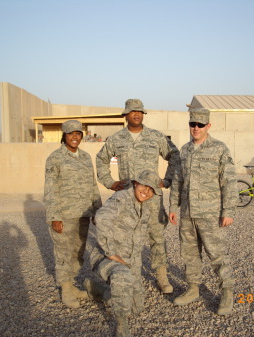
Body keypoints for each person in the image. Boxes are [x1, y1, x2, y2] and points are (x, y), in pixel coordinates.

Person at [96, 98, 180, 294]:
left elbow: (174, 156)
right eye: (132, 111)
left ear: (143, 114)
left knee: (157, 237)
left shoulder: (155, 137)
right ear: (126, 115)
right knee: (124, 238)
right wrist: (110, 182)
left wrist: (166, 181)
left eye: (139, 112)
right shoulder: (116, 139)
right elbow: (101, 160)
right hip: (127, 199)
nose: (136, 114)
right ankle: (126, 276)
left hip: (152, 198)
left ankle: (162, 276)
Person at [169, 108, 237, 316]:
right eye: (192, 124)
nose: (195, 128)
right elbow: (177, 180)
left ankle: (227, 291)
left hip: (210, 213)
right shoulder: (185, 150)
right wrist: (173, 206)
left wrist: (228, 210)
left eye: (200, 124)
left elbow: (229, 181)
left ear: (208, 126)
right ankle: (193, 288)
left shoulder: (219, 149)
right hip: (188, 213)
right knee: (189, 254)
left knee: (217, 254)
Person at [85, 170, 162, 337]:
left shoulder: (146, 206)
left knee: (136, 307)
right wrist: (111, 252)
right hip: (107, 257)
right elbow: (102, 218)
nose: (146, 191)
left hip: (131, 261)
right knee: (122, 276)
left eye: (151, 189)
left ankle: (98, 290)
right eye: (143, 186)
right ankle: (121, 326)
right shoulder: (121, 198)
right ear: (135, 183)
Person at [44, 120, 102, 308]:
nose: (75, 137)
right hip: (64, 214)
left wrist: (96, 209)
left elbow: (93, 185)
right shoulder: (55, 158)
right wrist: (55, 216)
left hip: (83, 213)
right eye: (71, 134)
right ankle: (66, 288)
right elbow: (50, 189)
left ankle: (71, 283)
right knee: (63, 252)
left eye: (78, 133)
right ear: (64, 136)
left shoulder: (85, 157)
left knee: (78, 251)